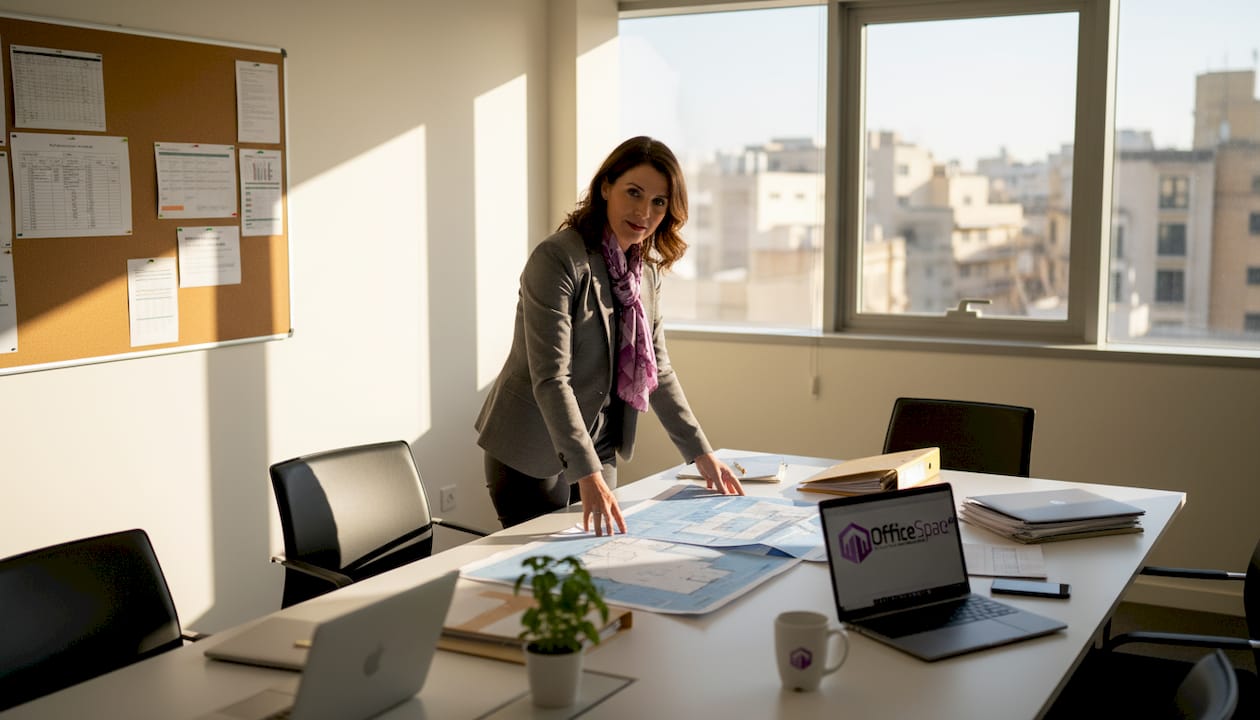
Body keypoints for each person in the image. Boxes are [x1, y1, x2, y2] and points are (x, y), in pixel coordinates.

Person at [475, 136, 744, 535]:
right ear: (606, 188)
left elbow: (660, 372)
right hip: (529, 448)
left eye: (659, 201)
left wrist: (700, 454)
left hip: (599, 443)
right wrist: (587, 474)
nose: (644, 211)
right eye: (633, 193)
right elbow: (551, 377)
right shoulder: (558, 259)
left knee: (597, 559)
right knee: (545, 576)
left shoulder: (645, 274)